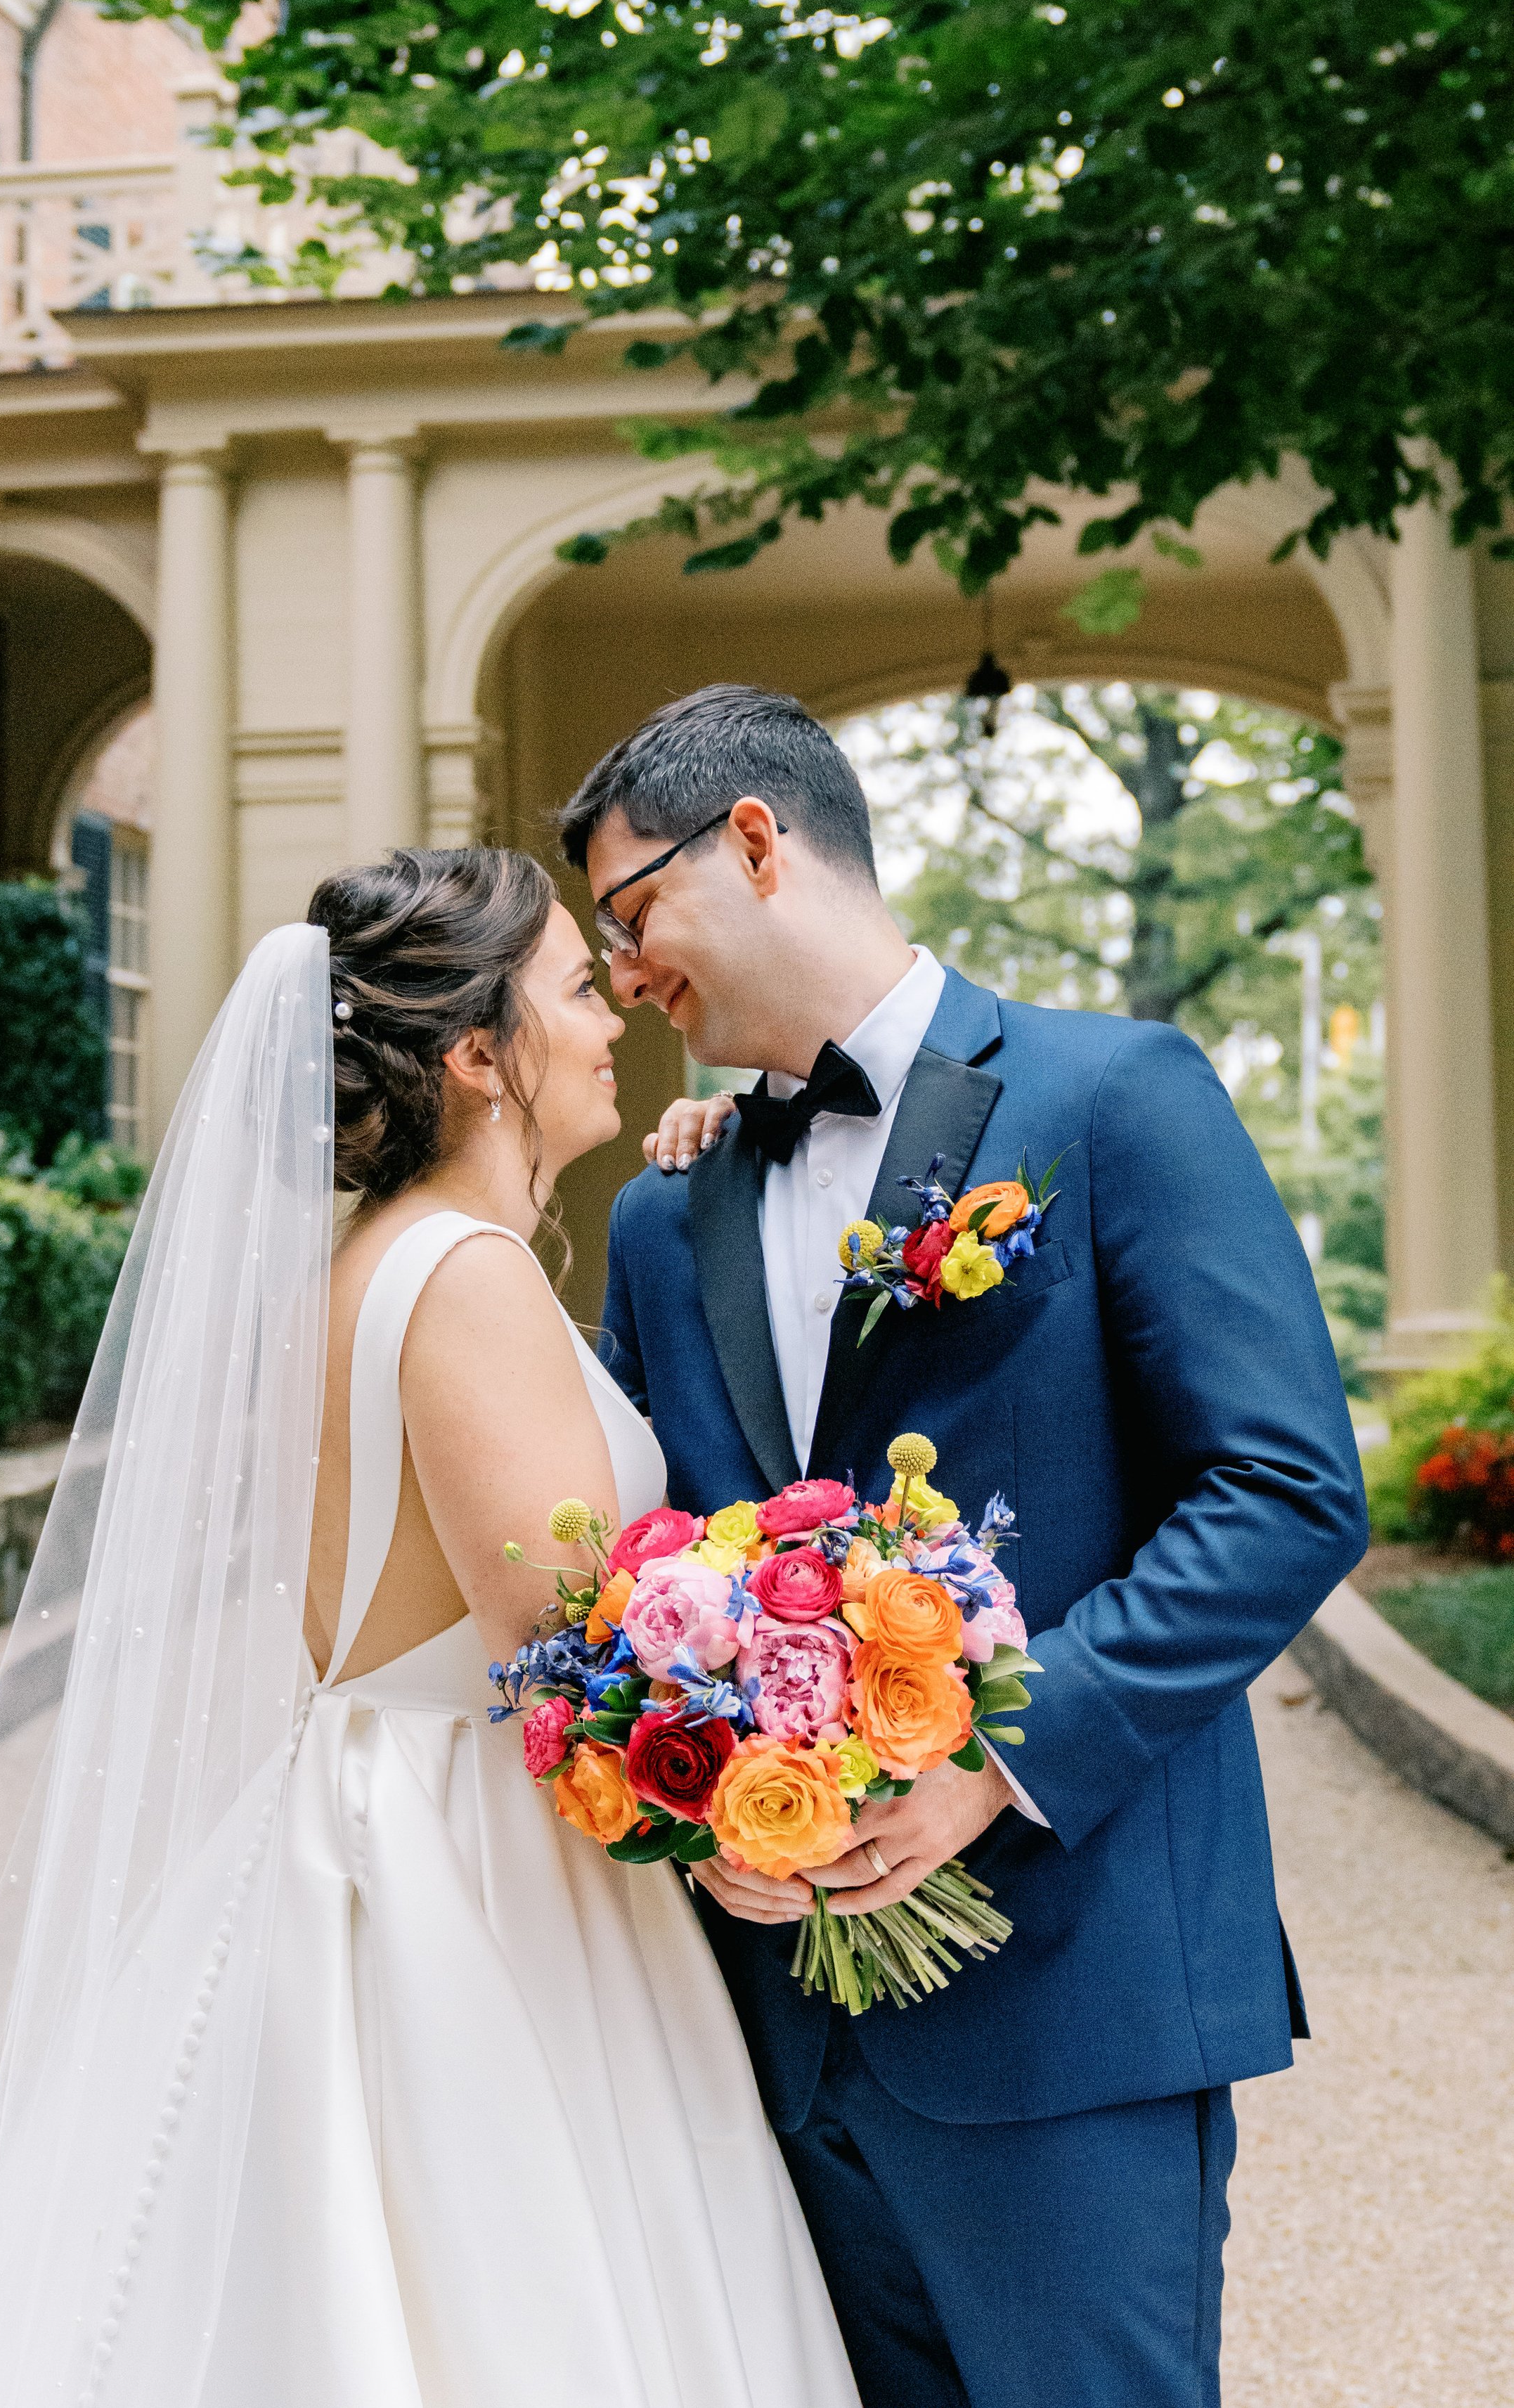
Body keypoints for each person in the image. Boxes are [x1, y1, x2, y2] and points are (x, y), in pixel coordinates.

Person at [0, 852, 856, 2408]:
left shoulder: (373, 1261)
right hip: (470, 1864)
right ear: (478, 1053)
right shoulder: (462, 1275)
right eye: (567, 984)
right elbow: (576, 1650)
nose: (611, 1008)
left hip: (363, 1803)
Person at [564, 683, 1370, 2408]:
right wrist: (691, 1802)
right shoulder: (659, 1213)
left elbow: (1284, 1489)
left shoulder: (1112, 1097)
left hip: (1075, 2000)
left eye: (633, 914)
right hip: (778, 2036)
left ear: (758, 842)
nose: (625, 974)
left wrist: (994, 1757)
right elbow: (644, 1574)